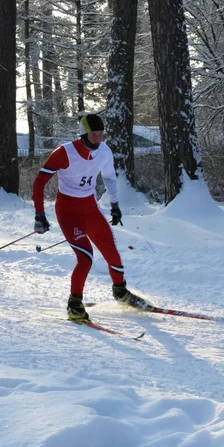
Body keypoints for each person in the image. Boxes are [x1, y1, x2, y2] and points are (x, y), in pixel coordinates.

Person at [32, 113, 141, 322]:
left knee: (112, 252)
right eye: (94, 135)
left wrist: (115, 205)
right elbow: (39, 182)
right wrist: (39, 214)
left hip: (90, 208)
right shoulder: (64, 153)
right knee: (86, 257)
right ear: (83, 134)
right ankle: (74, 303)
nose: (98, 139)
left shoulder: (104, 151)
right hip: (68, 211)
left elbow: (109, 177)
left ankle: (120, 292)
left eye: (101, 134)